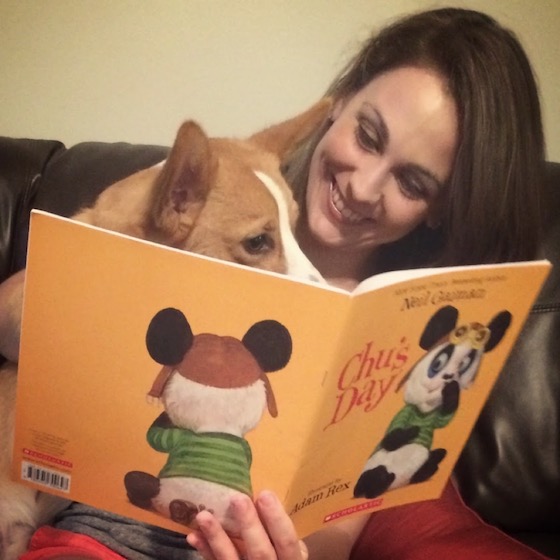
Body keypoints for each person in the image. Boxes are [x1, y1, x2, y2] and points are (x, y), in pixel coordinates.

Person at [0, 7, 547, 560]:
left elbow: (333, 528)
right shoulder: (214, 196)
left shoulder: (413, 331)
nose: (363, 187)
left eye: (412, 180)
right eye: (368, 134)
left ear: (440, 209)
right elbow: (13, 321)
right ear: (338, 108)